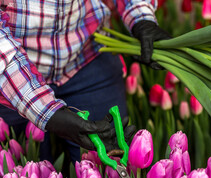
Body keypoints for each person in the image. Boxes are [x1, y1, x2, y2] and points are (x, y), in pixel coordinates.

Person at [0, 0, 170, 162]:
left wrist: (141, 17)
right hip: (10, 79)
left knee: (108, 172)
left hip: (88, 56)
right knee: (23, 177)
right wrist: (47, 113)